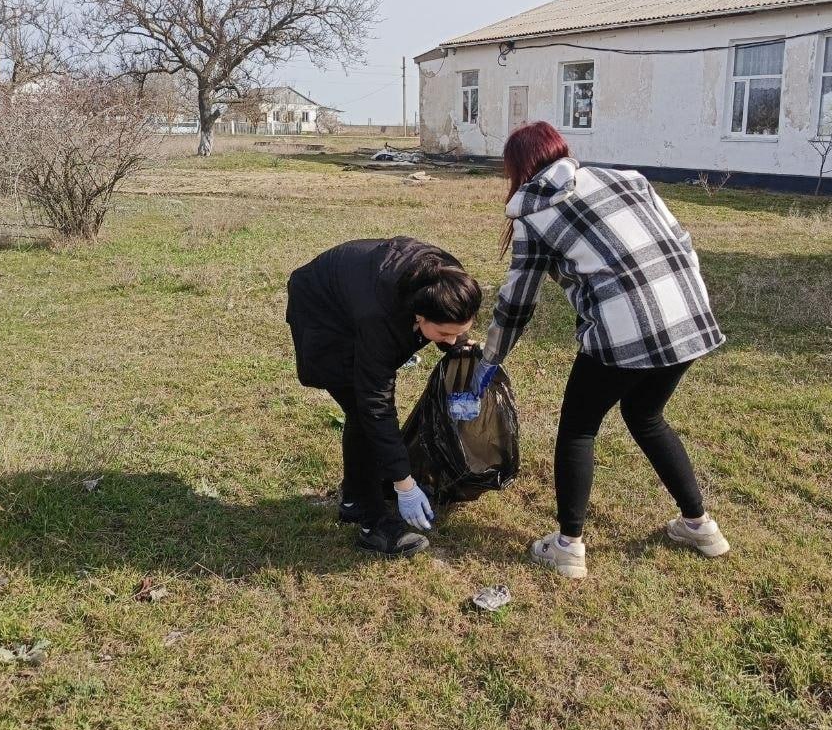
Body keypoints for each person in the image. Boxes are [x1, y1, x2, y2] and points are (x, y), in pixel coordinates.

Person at [471, 121, 729, 579]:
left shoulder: (534, 212)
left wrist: (488, 361)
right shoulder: (628, 179)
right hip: (689, 318)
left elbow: (517, 304)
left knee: (578, 429)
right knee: (645, 415)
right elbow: (681, 242)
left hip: (624, 333)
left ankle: (568, 547)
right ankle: (700, 526)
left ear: (517, 168)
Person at [286, 237, 481, 557]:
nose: (451, 339)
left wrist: (459, 342)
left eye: (459, 330)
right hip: (322, 310)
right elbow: (375, 404)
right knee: (363, 412)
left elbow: (450, 321)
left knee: (361, 414)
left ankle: (354, 499)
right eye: (444, 333)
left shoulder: (450, 280)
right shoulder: (379, 317)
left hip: (358, 290)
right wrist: (404, 484)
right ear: (418, 316)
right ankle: (373, 525)